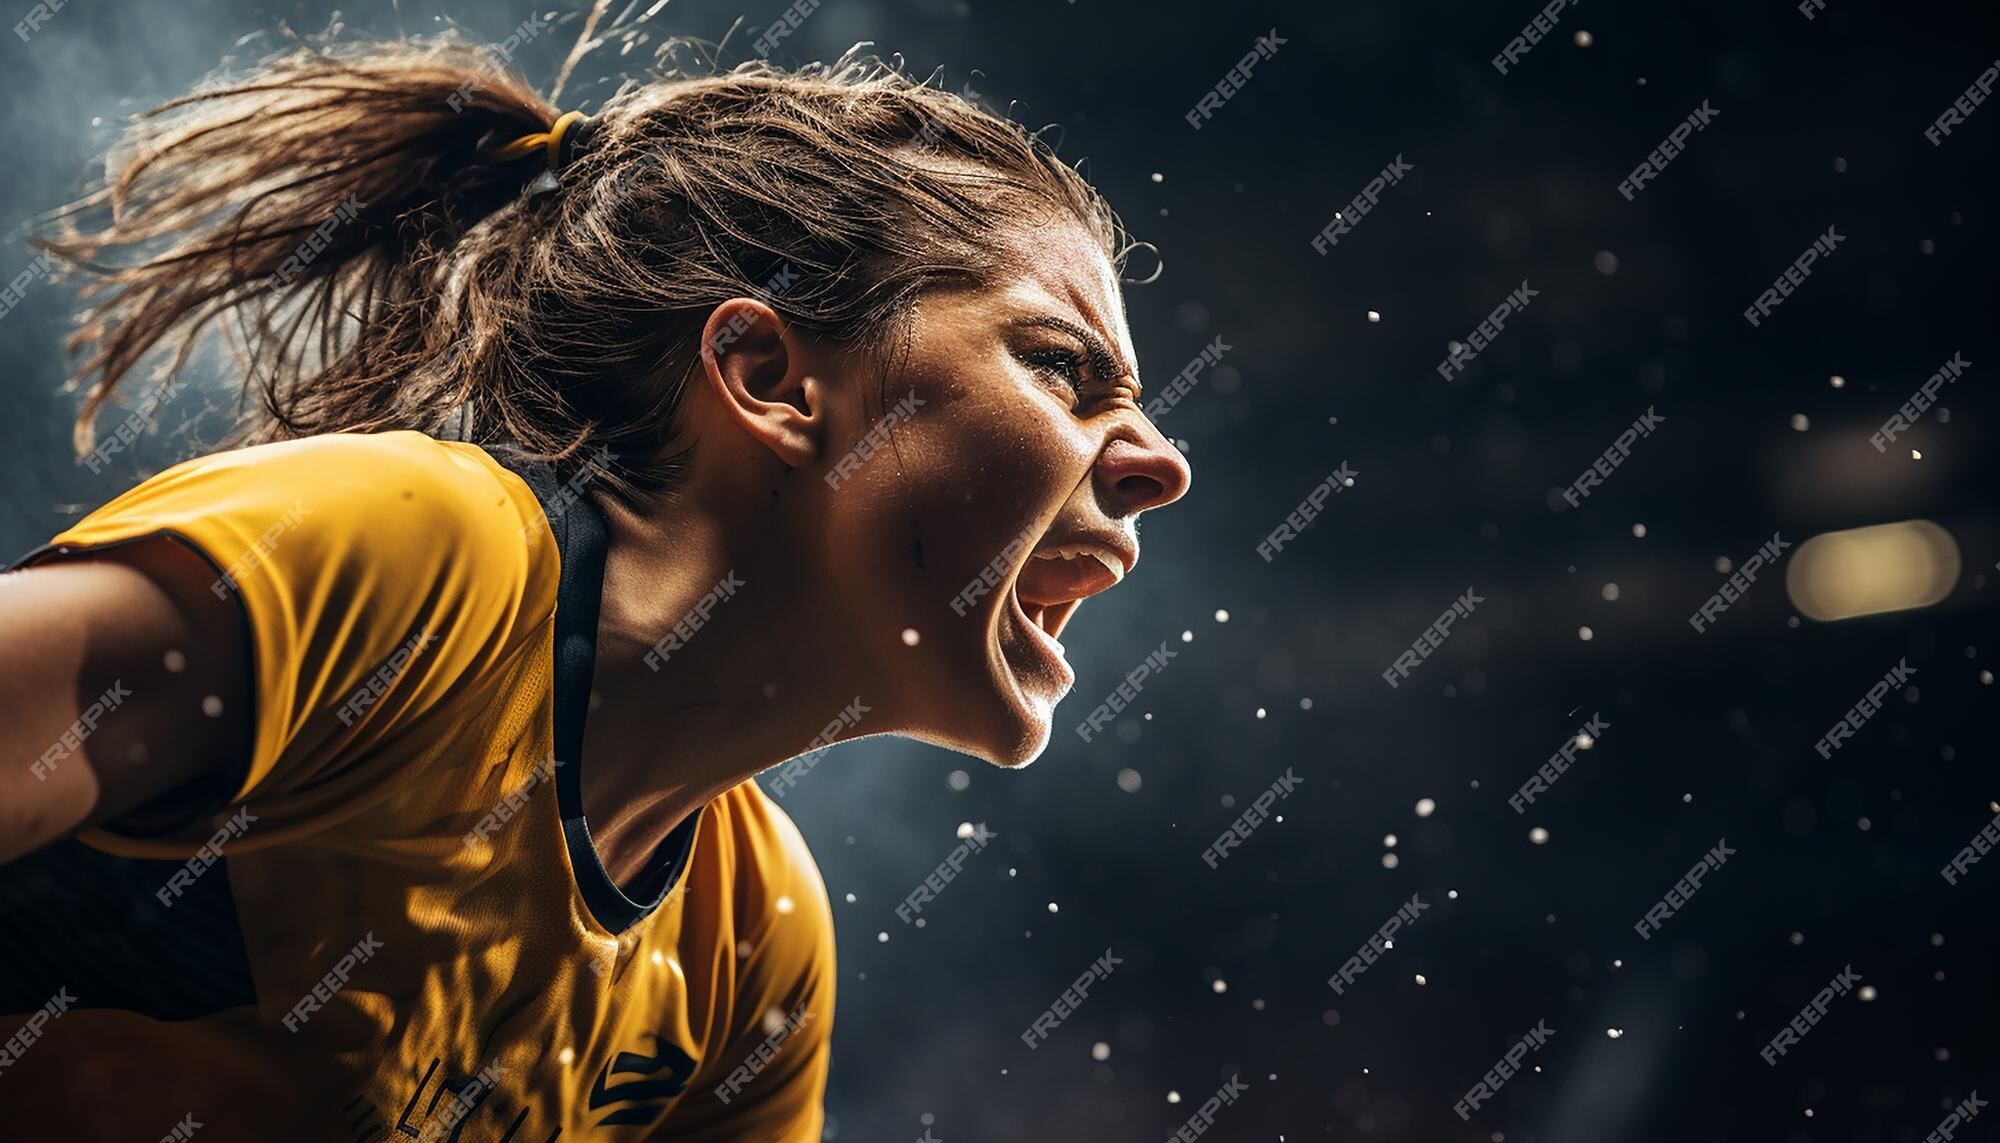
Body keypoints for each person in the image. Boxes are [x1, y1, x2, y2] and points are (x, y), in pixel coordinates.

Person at [0, 31, 1190, 1142]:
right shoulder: (414, 559)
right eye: (1063, 369)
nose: (1160, 463)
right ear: (769, 377)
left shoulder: (753, 944)